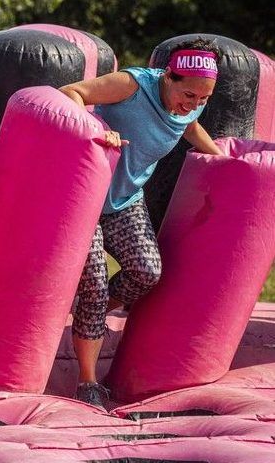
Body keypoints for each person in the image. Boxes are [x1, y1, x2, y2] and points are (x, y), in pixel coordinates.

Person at [59, 38, 223, 410]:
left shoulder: (189, 106)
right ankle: (88, 381)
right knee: (96, 283)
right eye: (189, 94)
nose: (194, 104)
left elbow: (189, 127)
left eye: (204, 98)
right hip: (86, 199)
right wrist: (96, 127)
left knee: (146, 271)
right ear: (168, 76)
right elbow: (71, 93)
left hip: (124, 201)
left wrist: (223, 159)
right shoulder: (132, 85)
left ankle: (88, 312)